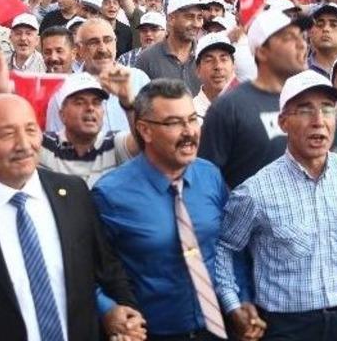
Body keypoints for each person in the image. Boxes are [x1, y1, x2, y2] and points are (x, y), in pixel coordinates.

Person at [0, 94, 144, 341]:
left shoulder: (73, 193)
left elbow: (107, 269)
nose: (24, 144)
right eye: (7, 134)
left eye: (31, 130)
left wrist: (124, 311)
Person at [215, 70, 337, 340]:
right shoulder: (255, 191)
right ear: (283, 122)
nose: (318, 121)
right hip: (285, 327)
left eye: (327, 109)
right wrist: (233, 305)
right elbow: (226, 248)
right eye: (304, 110)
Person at [93, 79, 240, 339]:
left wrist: (242, 300)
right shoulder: (110, 194)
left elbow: (232, 246)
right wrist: (108, 310)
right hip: (155, 331)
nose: (189, 132)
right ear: (145, 130)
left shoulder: (209, 176)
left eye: (192, 119)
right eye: (174, 123)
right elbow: (84, 268)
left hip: (220, 328)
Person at [200, 8, 306, 189]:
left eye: (302, 37)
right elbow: (205, 182)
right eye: (289, 38)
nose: (302, 45)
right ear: (262, 52)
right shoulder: (228, 108)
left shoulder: (309, 101)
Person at [45, 19, 150, 134]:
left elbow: (152, 131)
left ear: (115, 43)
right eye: (93, 42)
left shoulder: (139, 79)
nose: (102, 49)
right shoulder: (64, 90)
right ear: (80, 49)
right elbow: (55, 142)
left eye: (108, 40)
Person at [40, 72, 139, 188]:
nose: (90, 108)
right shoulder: (45, 145)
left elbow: (143, 142)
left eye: (96, 103)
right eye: (80, 102)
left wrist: (128, 102)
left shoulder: (113, 143)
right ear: (62, 115)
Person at [135, 0, 205, 93]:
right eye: (189, 17)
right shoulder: (147, 58)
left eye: (199, 17)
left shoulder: (206, 55)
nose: (196, 24)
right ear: (171, 19)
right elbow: (139, 102)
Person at [193, 32, 237, 117]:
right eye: (209, 60)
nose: (218, 66)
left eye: (223, 59)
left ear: (233, 66)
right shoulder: (190, 113)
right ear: (198, 70)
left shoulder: (246, 108)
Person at [307, 3, 337, 77]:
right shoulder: (299, 70)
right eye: (320, 24)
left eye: (334, 25)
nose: (326, 29)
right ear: (310, 33)